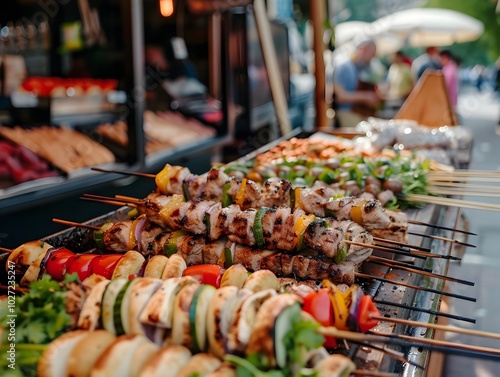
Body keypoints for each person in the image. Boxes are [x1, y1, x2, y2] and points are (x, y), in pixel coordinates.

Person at [332, 39, 381, 128]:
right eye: (372, 53)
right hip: (346, 112)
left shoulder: (356, 67)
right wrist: (366, 97)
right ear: (363, 49)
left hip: (356, 112)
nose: (373, 57)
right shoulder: (344, 67)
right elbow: (340, 97)